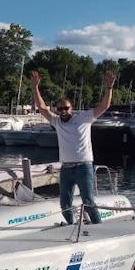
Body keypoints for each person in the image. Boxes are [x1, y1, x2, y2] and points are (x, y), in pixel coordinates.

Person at [30, 69, 116, 224]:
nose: (63, 111)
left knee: (88, 202)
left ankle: (99, 229)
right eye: (60, 109)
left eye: (66, 108)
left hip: (84, 167)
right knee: (65, 205)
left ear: (72, 108)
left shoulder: (84, 118)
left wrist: (109, 87)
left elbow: (104, 105)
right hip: (66, 168)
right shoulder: (56, 122)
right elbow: (42, 107)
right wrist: (35, 87)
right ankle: (73, 226)